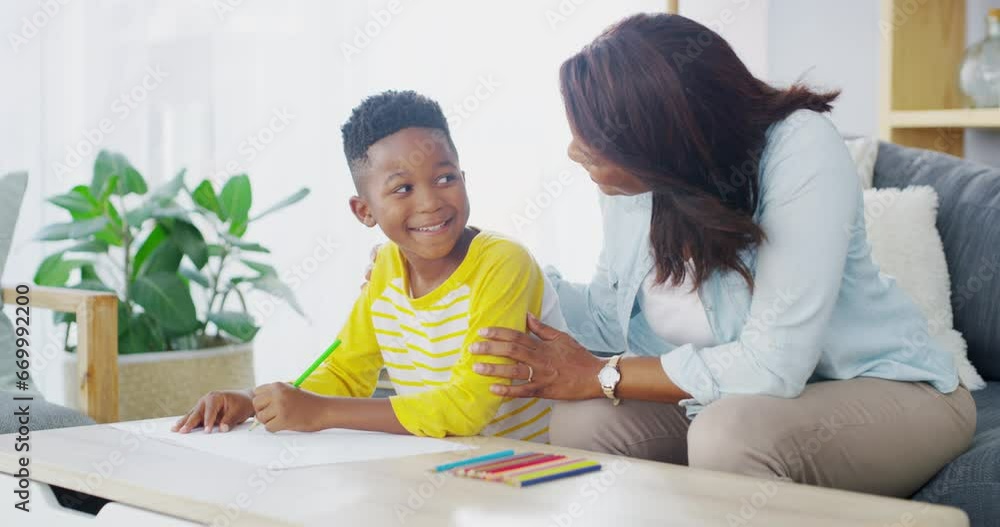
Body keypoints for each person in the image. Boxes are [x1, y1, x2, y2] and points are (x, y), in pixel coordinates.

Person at [467, 13, 976, 497]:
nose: (575, 152)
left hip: (891, 390)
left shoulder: (799, 146)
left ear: (658, 135)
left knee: (728, 434)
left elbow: (775, 364)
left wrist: (604, 375)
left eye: (594, 140)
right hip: (739, 399)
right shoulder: (638, 183)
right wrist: (483, 261)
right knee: (584, 419)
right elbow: (606, 318)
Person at [172, 90, 563, 442]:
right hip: (442, 469)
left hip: (524, 471)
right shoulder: (386, 271)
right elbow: (345, 374)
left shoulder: (502, 262)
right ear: (365, 211)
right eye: (403, 188)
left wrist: (320, 412)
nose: (430, 202)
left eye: (444, 178)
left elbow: (467, 407)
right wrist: (252, 401)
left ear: (464, 178)